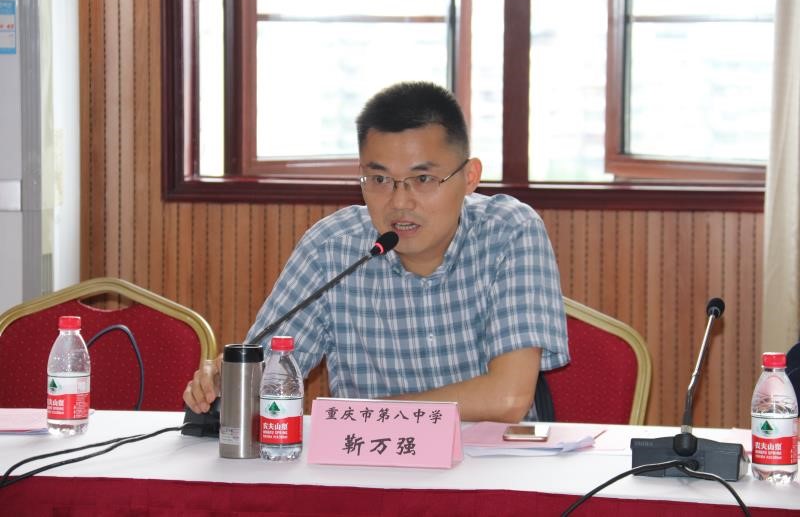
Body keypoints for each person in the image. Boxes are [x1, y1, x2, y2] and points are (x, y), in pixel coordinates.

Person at [184, 81, 569, 422]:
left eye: (423, 178)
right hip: (368, 467)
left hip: (492, 468)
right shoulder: (332, 247)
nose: (400, 202)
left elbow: (507, 398)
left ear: (469, 177)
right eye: (380, 179)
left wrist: (368, 415)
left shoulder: (509, 232)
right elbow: (269, 373)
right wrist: (229, 383)